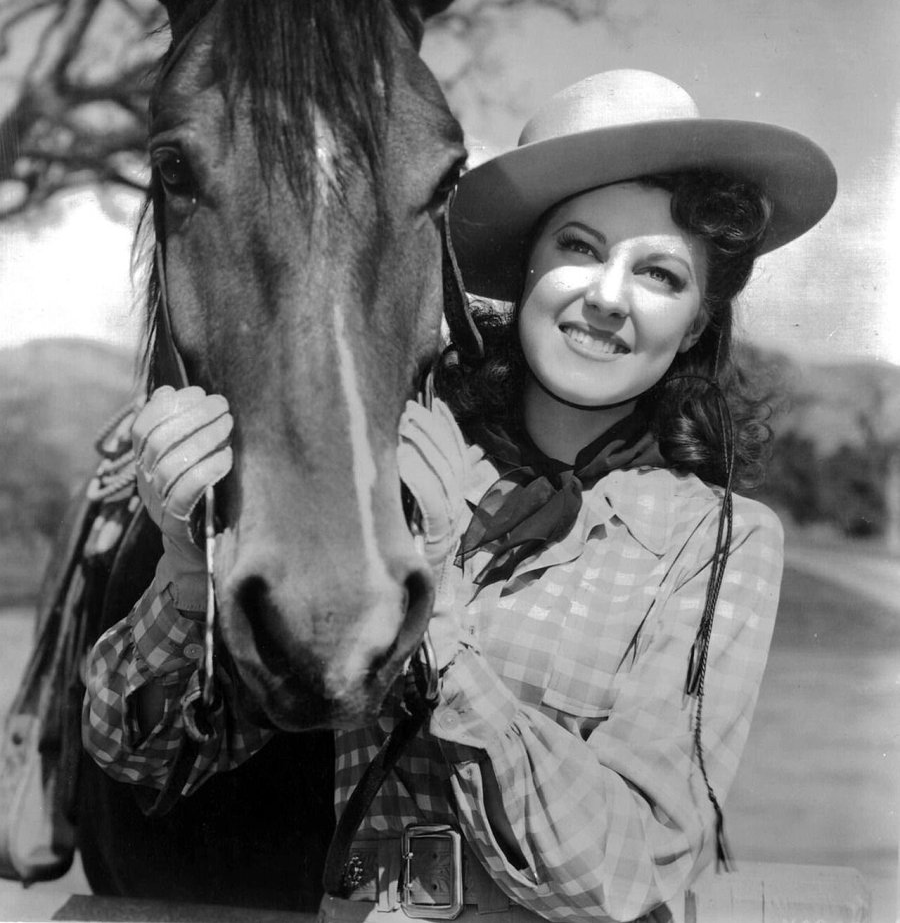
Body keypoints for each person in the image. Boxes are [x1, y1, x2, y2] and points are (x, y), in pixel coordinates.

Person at [83, 69, 836, 923]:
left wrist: (435, 615)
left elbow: (628, 871)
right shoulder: (388, 464)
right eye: (580, 248)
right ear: (526, 269)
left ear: (696, 321)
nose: (607, 297)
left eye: (660, 274)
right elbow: (148, 758)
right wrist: (188, 577)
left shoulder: (721, 539)